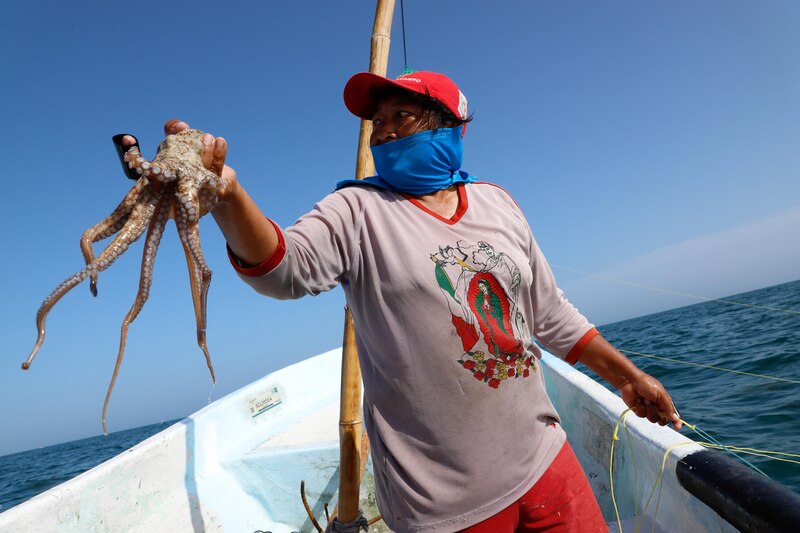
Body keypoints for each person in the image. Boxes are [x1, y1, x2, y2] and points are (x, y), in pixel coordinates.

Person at [131, 70, 681, 532]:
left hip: (547, 463)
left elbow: (550, 313)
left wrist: (627, 375)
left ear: (449, 124)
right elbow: (284, 266)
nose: (385, 133)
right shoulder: (356, 210)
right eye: (378, 124)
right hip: (443, 510)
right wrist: (227, 195)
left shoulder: (498, 203)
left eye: (403, 116)